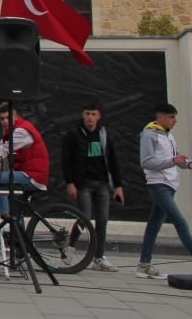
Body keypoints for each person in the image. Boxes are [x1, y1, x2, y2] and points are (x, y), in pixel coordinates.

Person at [135, 103, 192, 280]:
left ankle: (143, 265)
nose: (175, 121)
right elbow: (146, 162)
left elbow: (176, 158)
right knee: (182, 223)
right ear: (160, 117)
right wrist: (172, 161)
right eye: (171, 117)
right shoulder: (149, 135)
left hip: (169, 185)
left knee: (154, 226)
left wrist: (188, 163)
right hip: (158, 185)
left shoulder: (168, 136)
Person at [61, 103, 123, 272]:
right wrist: (70, 182)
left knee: (102, 221)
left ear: (99, 116)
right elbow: (66, 160)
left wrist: (117, 185)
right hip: (83, 183)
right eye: (87, 113)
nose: (90, 117)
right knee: (84, 217)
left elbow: (112, 160)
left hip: (102, 182)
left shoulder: (103, 134)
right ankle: (70, 247)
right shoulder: (74, 134)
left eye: (93, 114)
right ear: (83, 115)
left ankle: (99, 257)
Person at [0, 107, 49, 208]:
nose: (5, 121)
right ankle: (14, 220)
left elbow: (3, 149)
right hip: (28, 173)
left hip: (33, 176)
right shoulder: (12, 131)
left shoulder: (22, 131)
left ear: (16, 117)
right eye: (2, 119)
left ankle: (5, 214)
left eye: (8, 117)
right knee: (15, 209)